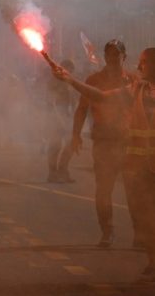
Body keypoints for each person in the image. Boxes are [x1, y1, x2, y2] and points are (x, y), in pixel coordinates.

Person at [53, 48, 155, 282]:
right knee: (146, 215)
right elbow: (100, 97)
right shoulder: (137, 89)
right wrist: (70, 80)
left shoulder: (136, 84)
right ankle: (152, 262)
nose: (139, 67)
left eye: (144, 62)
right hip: (141, 166)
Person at [71, 40, 137, 248]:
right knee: (103, 190)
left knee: (135, 192)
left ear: (124, 57)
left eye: (116, 54)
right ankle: (107, 231)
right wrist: (75, 135)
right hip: (104, 142)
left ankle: (140, 234)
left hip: (129, 143)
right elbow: (82, 108)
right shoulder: (94, 80)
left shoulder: (133, 80)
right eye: (109, 54)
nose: (112, 58)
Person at [46, 58, 76, 183]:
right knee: (55, 145)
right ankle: (52, 173)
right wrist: (59, 118)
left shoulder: (69, 81)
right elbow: (52, 100)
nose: (70, 72)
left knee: (71, 144)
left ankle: (63, 170)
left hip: (67, 115)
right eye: (69, 70)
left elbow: (72, 100)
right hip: (56, 115)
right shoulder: (55, 81)